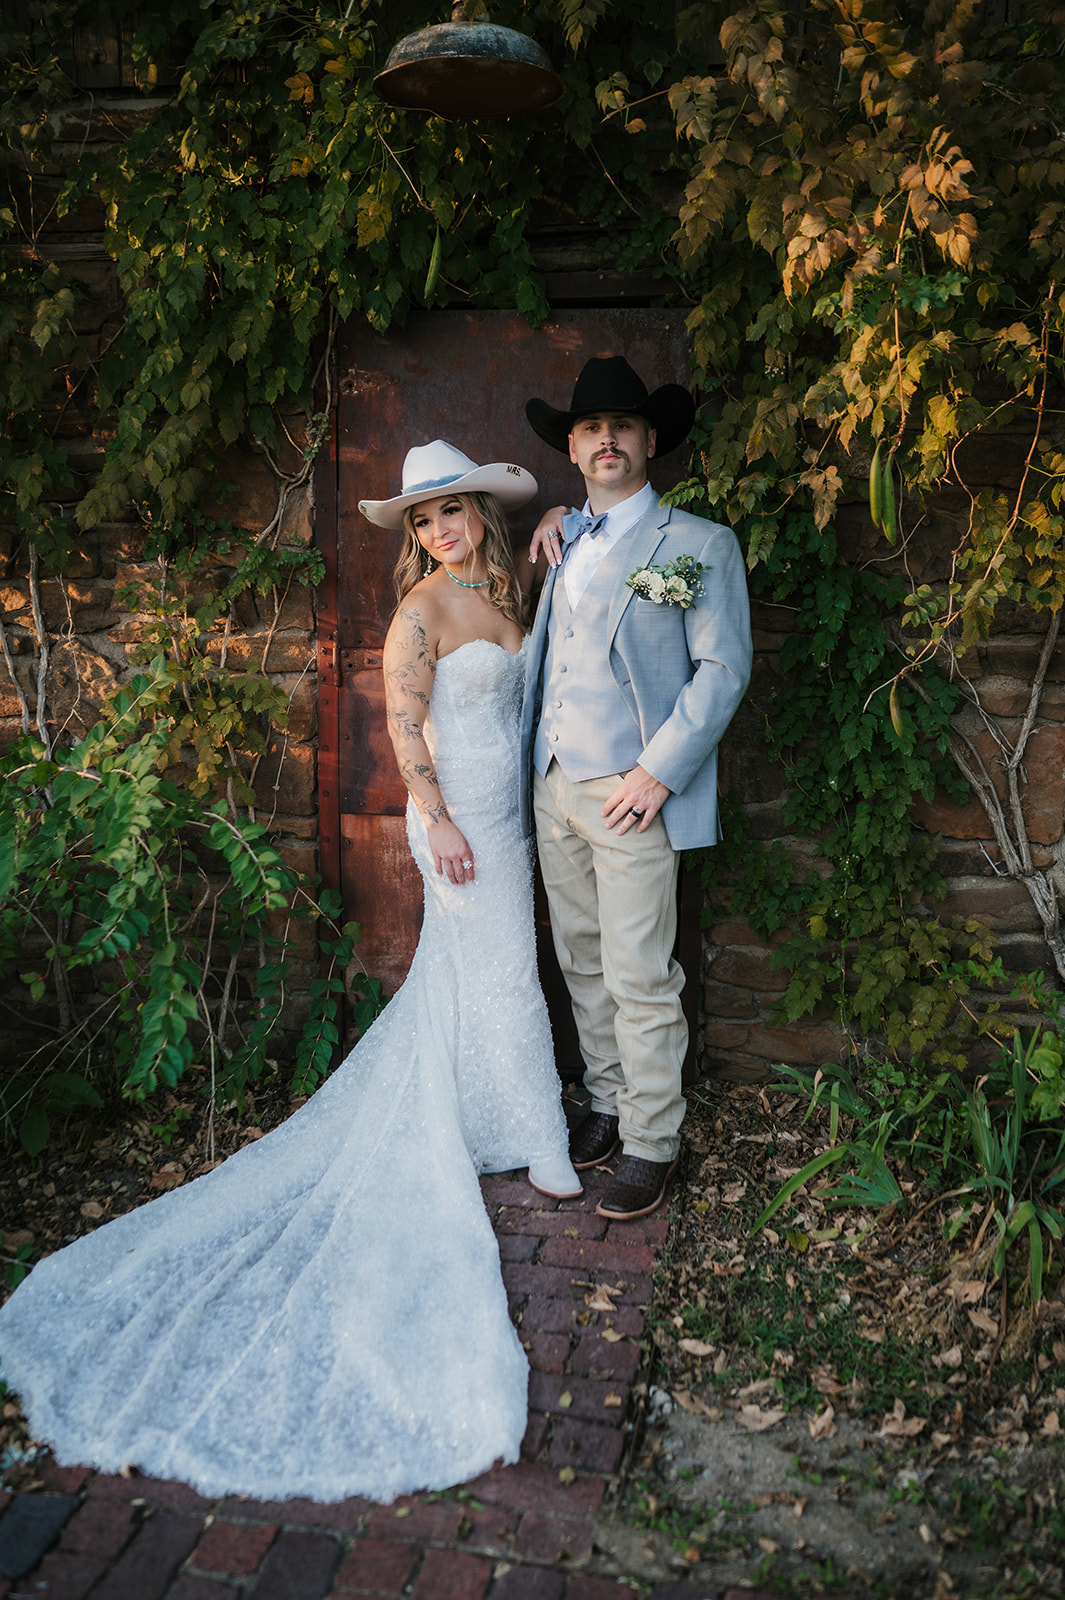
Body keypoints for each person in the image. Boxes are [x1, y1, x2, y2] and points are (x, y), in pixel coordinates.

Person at [0, 441, 579, 1505]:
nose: (442, 532)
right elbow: (405, 730)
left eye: (453, 515)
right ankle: (543, 1138)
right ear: (414, 534)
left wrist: (554, 539)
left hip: (518, 816)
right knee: (501, 968)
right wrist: (437, 817)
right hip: (459, 822)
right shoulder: (418, 616)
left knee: (485, 970)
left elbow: (532, 680)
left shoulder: (504, 586)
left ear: (480, 521)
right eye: (427, 521)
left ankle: (488, 1119)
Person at [521, 356, 753, 1222]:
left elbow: (722, 667)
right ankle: (609, 1104)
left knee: (640, 972)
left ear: (649, 441)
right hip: (554, 785)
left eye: (622, 426)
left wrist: (657, 772)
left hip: (632, 790)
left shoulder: (696, 545)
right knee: (580, 960)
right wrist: (553, 517)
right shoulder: (562, 538)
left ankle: (654, 1139)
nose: (606, 439)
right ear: (574, 450)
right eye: (590, 429)